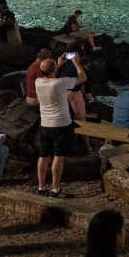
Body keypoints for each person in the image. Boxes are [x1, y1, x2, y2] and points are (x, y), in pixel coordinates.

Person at [36, 52, 85, 198]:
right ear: (54, 70)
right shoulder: (60, 83)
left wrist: (57, 65)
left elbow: (50, 78)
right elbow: (82, 78)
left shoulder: (38, 82)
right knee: (58, 156)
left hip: (45, 124)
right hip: (61, 124)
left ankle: (41, 187)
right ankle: (55, 189)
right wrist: (76, 62)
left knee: (43, 155)